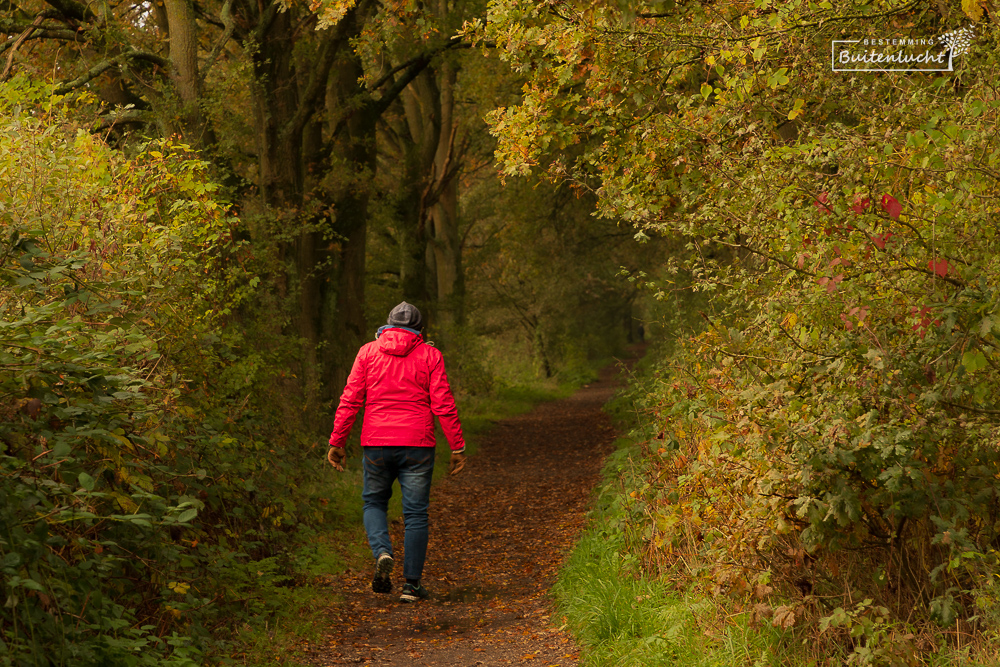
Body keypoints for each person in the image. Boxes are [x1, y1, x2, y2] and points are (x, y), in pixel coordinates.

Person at [327, 301, 466, 603]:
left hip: (376, 442)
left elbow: (350, 399)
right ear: (419, 330)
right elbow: (442, 403)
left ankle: (382, 552)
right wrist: (457, 445)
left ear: (387, 325)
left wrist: (337, 441)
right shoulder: (430, 355)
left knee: (374, 502)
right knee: (415, 514)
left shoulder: (367, 352)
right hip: (417, 444)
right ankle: (411, 585)